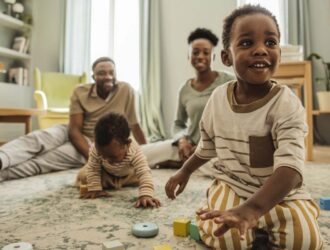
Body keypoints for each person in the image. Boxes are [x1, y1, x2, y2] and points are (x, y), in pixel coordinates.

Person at [165, 5, 323, 249]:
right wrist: (184, 171)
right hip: (234, 185)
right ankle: (242, 220)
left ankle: (258, 222)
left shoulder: (287, 103)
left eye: (270, 43)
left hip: (281, 195)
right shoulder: (217, 99)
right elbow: (207, 147)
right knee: (226, 239)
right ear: (227, 57)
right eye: (247, 43)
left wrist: (252, 210)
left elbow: (290, 170)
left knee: (305, 241)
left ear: (279, 52)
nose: (261, 50)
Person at [0, 57, 147, 182]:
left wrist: (147, 152)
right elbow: (74, 129)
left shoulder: (126, 90)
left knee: (44, 161)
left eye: (111, 72)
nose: (108, 76)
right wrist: (91, 157)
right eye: (101, 73)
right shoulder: (80, 91)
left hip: (95, 144)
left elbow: (135, 126)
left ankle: (2, 174)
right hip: (71, 132)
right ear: (94, 77)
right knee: (37, 138)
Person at [142, 28, 234, 168]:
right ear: (188, 56)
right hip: (190, 146)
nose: (200, 56)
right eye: (195, 52)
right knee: (142, 153)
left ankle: (183, 164)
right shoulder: (185, 89)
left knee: (221, 168)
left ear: (214, 57)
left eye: (206, 52)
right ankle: (183, 162)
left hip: (217, 150)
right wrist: (181, 141)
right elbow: (178, 124)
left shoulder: (229, 81)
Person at [76, 112, 161, 208]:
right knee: (84, 175)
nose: (105, 159)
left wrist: (145, 195)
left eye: (112, 157)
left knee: (144, 177)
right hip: (105, 174)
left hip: (128, 176)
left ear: (127, 144)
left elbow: (144, 172)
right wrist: (95, 189)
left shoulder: (134, 151)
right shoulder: (96, 149)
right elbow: (93, 169)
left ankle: (115, 184)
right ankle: (107, 183)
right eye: (102, 154)